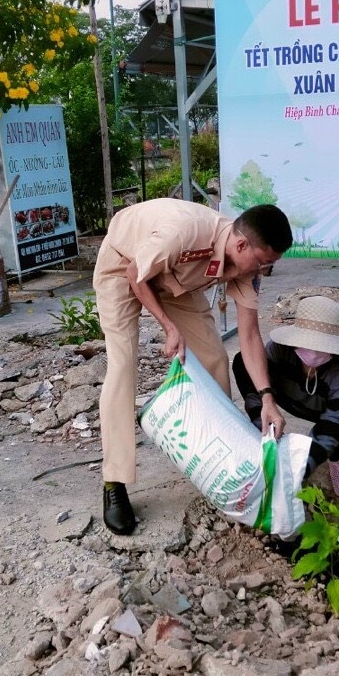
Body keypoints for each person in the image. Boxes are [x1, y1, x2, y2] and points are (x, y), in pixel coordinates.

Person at [94, 199, 293, 535]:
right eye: (262, 263)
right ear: (241, 245)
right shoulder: (184, 233)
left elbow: (249, 334)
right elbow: (135, 275)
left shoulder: (247, 265)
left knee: (214, 358)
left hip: (176, 279)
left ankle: (223, 467)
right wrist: (168, 327)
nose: (263, 271)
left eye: (269, 266)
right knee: (123, 366)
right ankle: (115, 481)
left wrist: (268, 398)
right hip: (126, 263)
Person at [233, 295, 339, 498]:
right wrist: (266, 414)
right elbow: (257, 383)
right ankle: (266, 432)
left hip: (325, 410)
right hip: (284, 396)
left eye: (321, 345)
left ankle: (338, 458)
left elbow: (332, 426)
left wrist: (297, 473)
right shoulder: (278, 350)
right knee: (245, 362)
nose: (314, 351)